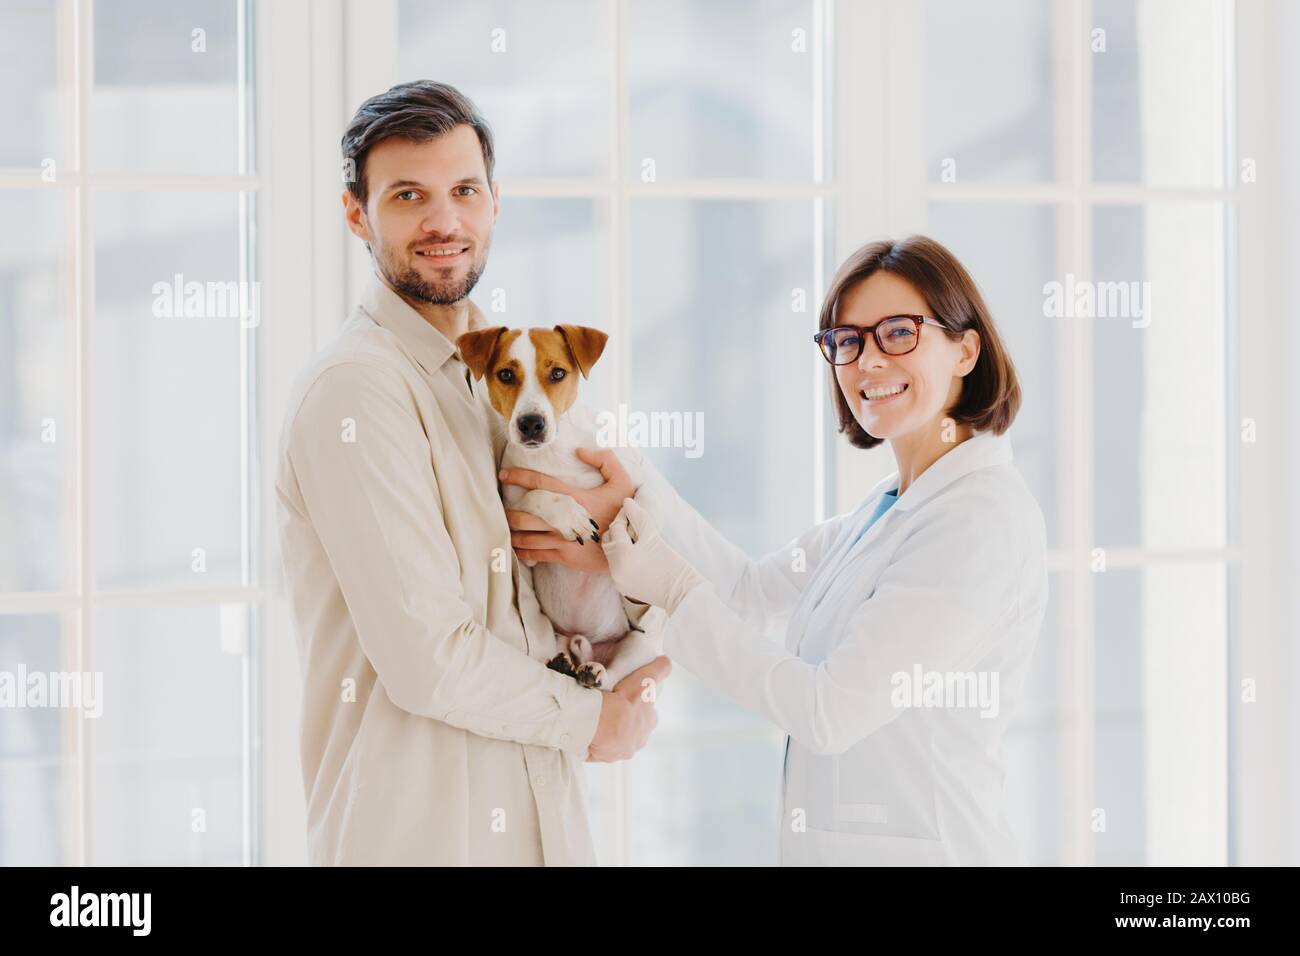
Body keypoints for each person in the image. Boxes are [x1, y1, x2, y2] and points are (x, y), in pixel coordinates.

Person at [502, 235, 1048, 865]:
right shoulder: (885, 511)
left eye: (899, 332)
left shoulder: (978, 521)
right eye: (847, 341)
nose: (868, 361)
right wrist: (629, 487)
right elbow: (749, 595)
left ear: (966, 349)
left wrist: (666, 583)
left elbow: (828, 712)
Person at [275, 80, 669, 866]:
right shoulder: (358, 391)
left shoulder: (515, 374)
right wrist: (593, 719)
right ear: (356, 214)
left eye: (464, 190)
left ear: (496, 202)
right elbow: (428, 657)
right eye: (407, 195)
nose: (443, 221)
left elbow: (634, 535)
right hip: (418, 837)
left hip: (542, 821)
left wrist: (618, 562)